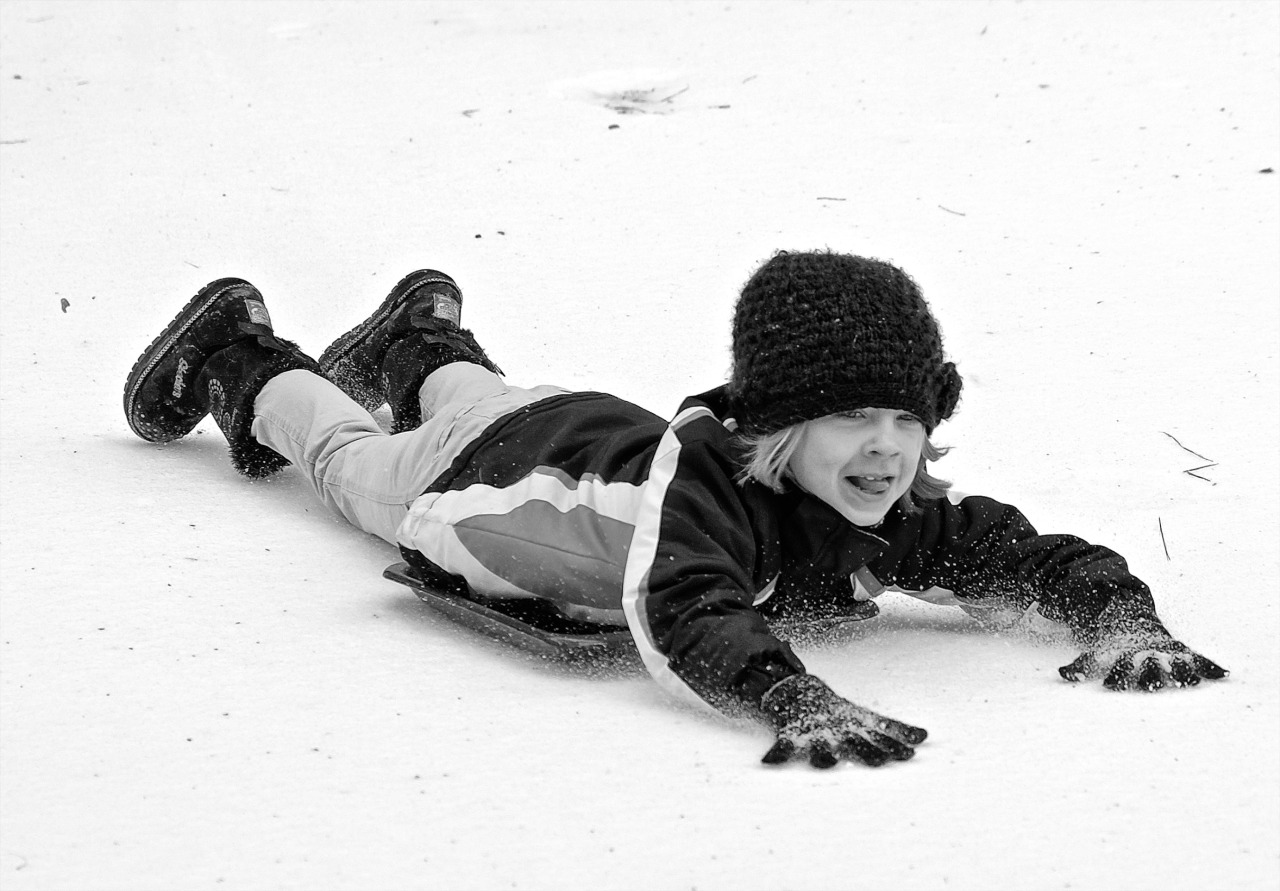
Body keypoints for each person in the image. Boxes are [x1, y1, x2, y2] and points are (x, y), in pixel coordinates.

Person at [123, 251, 1227, 769]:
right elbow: (691, 606)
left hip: (569, 418)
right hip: (477, 487)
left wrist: (1116, 615)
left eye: (902, 418)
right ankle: (239, 356)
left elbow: (1025, 553)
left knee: (489, 396)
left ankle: (421, 345)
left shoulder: (880, 508)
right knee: (345, 454)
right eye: (849, 420)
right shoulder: (707, 502)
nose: (885, 448)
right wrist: (785, 694)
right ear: (779, 430)